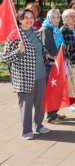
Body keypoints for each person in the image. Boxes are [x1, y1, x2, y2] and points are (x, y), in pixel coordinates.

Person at [3, 8, 52, 140]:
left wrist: (46, 53)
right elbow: (6, 57)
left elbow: (40, 47)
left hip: (41, 74)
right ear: (20, 20)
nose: (30, 20)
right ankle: (27, 130)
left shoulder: (36, 31)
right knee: (26, 104)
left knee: (40, 102)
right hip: (25, 76)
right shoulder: (14, 35)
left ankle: (39, 125)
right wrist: (19, 51)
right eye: (26, 17)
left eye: (31, 17)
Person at [40, 9, 67, 124]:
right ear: (49, 18)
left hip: (59, 63)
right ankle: (50, 116)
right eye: (53, 17)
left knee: (57, 90)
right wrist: (52, 57)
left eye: (57, 17)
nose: (56, 19)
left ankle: (54, 112)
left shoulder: (56, 30)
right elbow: (44, 48)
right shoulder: (45, 30)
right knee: (52, 90)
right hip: (50, 65)